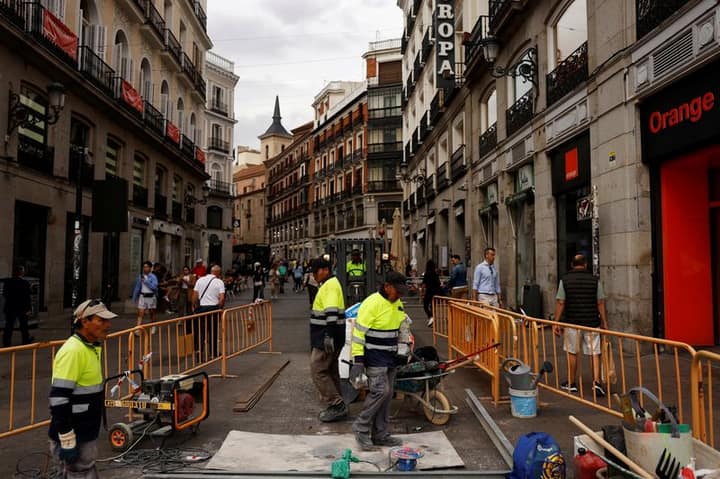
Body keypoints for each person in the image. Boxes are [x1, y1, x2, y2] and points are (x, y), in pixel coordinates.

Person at [48, 298, 117, 478]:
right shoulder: (73, 351)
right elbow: (58, 398)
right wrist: (67, 439)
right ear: (85, 322)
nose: (108, 325)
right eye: (101, 320)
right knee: (79, 472)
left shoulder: (90, 348)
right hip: (75, 434)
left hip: (85, 431)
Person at [350, 272, 408, 450]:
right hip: (374, 357)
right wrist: (358, 361)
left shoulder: (397, 303)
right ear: (387, 286)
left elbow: (402, 326)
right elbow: (358, 334)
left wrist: (403, 350)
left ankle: (380, 434)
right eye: (397, 291)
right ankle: (361, 427)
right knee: (380, 391)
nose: (399, 294)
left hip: (390, 358)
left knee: (387, 395)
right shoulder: (371, 304)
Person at [552, 254, 608, 398]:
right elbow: (600, 302)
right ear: (585, 264)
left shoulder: (565, 280)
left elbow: (560, 302)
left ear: (572, 264)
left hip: (572, 323)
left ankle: (571, 383)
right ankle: (596, 383)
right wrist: (604, 322)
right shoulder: (595, 280)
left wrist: (556, 322)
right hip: (591, 322)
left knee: (572, 352)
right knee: (595, 353)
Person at [309, 257, 348, 423]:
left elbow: (331, 312)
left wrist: (328, 336)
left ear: (325, 270)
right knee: (331, 370)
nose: (314, 276)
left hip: (326, 336)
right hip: (332, 335)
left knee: (317, 369)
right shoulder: (331, 284)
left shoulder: (330, 286)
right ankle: (339, 403)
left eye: (315, 272)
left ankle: (336, 404)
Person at [192, 265, 226, 357]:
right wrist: (219, 308)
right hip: (213, 308)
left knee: (200, 331)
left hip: (201, 308)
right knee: (213, 331)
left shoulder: (200, 280)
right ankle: (213, 352)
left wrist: (195, 306)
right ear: (217, 272)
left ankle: (199, 353)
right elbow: (222, 298)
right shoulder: (219, 282)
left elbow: (195, 296)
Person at [3, 265, 33, 347]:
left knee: (9, 325)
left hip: (10, 307)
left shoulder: (8, 282)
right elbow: (27, 297)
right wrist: (29, 308)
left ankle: (6, 342)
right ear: (21, 272)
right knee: (24, 325)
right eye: (23, 271)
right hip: (22, 307)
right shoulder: (25, 283)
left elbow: (5, 294)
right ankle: (25, 340)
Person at [131, 261, 158, 332]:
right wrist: (134, 298)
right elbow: (137, 288)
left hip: (151, 296)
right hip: (142, 296)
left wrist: (146, 282)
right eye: (144, 267)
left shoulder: (153, 277)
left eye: (147, 267)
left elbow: (154, 287)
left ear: (150, 268)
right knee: (140, 313)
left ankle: (153, 326)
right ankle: (138, 329)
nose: (145, 268)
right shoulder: (140, 277)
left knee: (151, 313)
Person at [421, 260, 442, 328]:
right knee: (433, 306)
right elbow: (439, 283)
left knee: (425, 305)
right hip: (436, 292)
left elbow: (424, 284)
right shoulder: (435, 273)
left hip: (429, 291)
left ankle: (430, 317)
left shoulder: (427, 273)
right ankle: (432, 319)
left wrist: (422, 292)